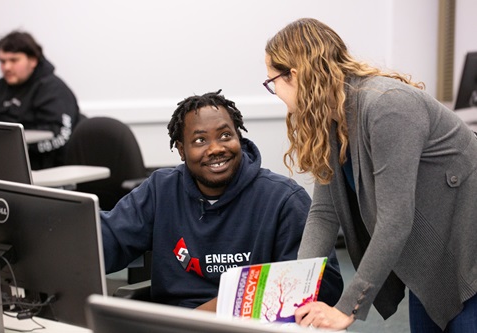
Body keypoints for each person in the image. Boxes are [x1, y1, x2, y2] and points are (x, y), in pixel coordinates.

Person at [264, 17, 477, 332]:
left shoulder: (387, 107)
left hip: (466, 250)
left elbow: (395, 220)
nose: (274, 92)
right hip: (429, 256)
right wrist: (298, 290)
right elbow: (324, 213)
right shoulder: (332, 119)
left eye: (272, 82)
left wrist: (347, 309)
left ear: (294, 75)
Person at [101, 90, 343, 311]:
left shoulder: (283, 199)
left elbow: (324, 282)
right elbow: (108, 241)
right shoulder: (160, 190)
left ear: (239, 137)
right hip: (175, 324)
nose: (215, 148)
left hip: (253, 326)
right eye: (199, 140)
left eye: (225, 135)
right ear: (181, 150)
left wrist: (218, 310)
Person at [0, 30, 83, 170]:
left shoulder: (53, 89)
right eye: (3, 61)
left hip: (43, 168)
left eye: (14, 60)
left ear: (33, 60)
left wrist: (15, 146)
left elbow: (60, 136)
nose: (7, 67)